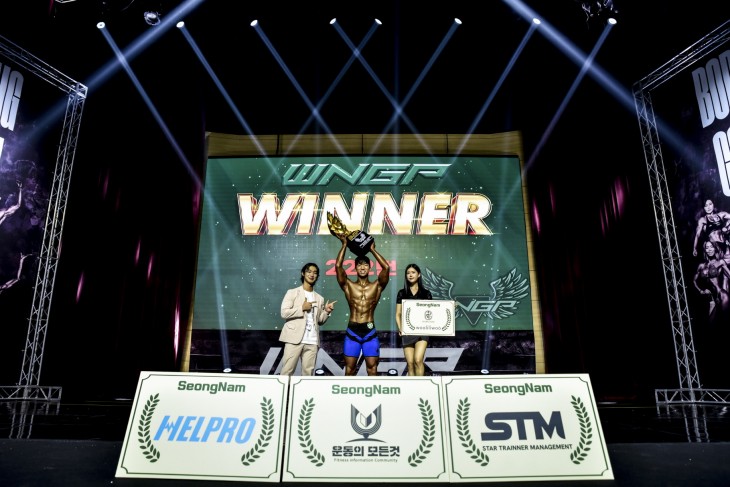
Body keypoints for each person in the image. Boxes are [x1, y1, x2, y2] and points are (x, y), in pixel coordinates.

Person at [335, 236, 390, 376]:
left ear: (370, 268)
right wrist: (344, 244)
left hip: (369, 331)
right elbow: (338, 266)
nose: (362, 267)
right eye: (359, 265)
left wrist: (372, 250)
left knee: (372, 369)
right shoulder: (348, 285)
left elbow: (386, 267)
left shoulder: (377, 286)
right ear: (355, 268)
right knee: (350, 369)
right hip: (352, 331)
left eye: (365, 264)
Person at [279, 263, 336, 376]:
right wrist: (302, 308)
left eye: (315, 273)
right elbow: (284, 313)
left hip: (312, 340)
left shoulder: (319, 298)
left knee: (308, 374)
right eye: (309, 271)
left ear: (317, 276)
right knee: (287, 372)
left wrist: (326, 311)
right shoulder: (292, 292)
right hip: (294, 339)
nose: (312, 274)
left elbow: (319, 321)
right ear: (303, 273)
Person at [395, 263, 433, 376]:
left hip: (422, 331)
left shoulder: (426, 293)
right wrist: (400, 328)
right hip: (407, 332)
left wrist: (449, 308)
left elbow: (433, 312)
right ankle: (412, 386)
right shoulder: (402, 293)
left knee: (418, 360)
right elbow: (398, 314)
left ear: (419, 275)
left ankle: (420, 386)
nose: (410, 275)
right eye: (408, 273)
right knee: (410, 363)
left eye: (413, 272)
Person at [693, 240, 730, 324]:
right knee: (710, 325)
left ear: (715, 248)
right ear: (705, 250)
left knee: (725, 323)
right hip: (712, 300)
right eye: (707, 247)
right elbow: (694, 281)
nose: (709, 249)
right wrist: (701, 291)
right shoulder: (701, 266)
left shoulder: (720, 262)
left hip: (722, 296)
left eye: (711, 247)